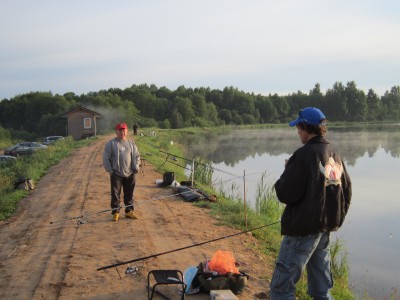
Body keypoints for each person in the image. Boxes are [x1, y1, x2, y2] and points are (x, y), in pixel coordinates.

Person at [270, 107, 352, 300]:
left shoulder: (304, 155)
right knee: (321, 291)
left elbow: (285, 193)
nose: (297, 131)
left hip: (302, 232)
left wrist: (287, 170)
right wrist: (334, 219)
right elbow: (346, 192)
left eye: (299, 126)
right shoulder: (334, 154)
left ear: (307, 127)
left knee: (280, 289)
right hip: (324, 230)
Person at [103, 122, 141, 221]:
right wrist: (110, 171)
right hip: (116, 173)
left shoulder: (131, 144)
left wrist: (136, 167)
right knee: (115, 194)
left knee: (129, 193)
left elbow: (137, 156)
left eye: (124, 130)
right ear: (116, 132)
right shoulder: (111, 144)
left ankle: (129, 211)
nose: (122, 132)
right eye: (120, 130)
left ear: (127, 131)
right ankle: (115, 212)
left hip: (130, 173)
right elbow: (106, 158)